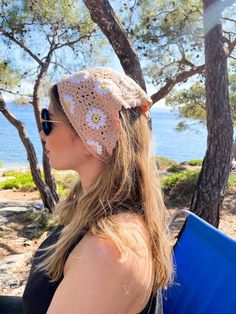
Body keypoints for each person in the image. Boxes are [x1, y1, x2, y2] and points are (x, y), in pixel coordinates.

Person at [13, 67, 173, 313]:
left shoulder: (107, 253)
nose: (42, 134)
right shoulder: (100, 210)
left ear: (89, 137)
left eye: (47, 120)